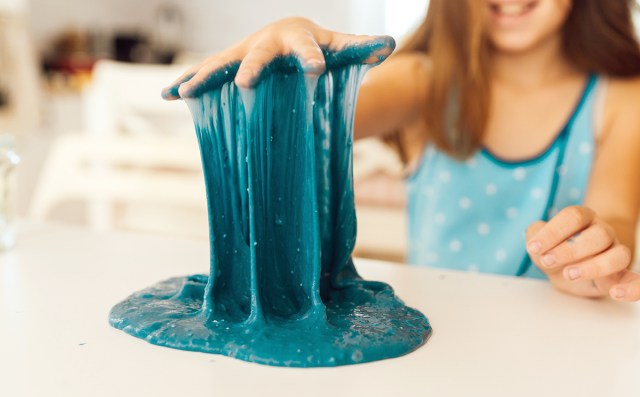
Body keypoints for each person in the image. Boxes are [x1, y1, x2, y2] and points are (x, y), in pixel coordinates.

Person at [162, 0, 640, 301]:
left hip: (562, 352)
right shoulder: (423, 82)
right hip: (435, 349)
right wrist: (291, 42)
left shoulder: (624, 98)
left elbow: (613, 217)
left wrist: (590, 263)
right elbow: (305, 122)